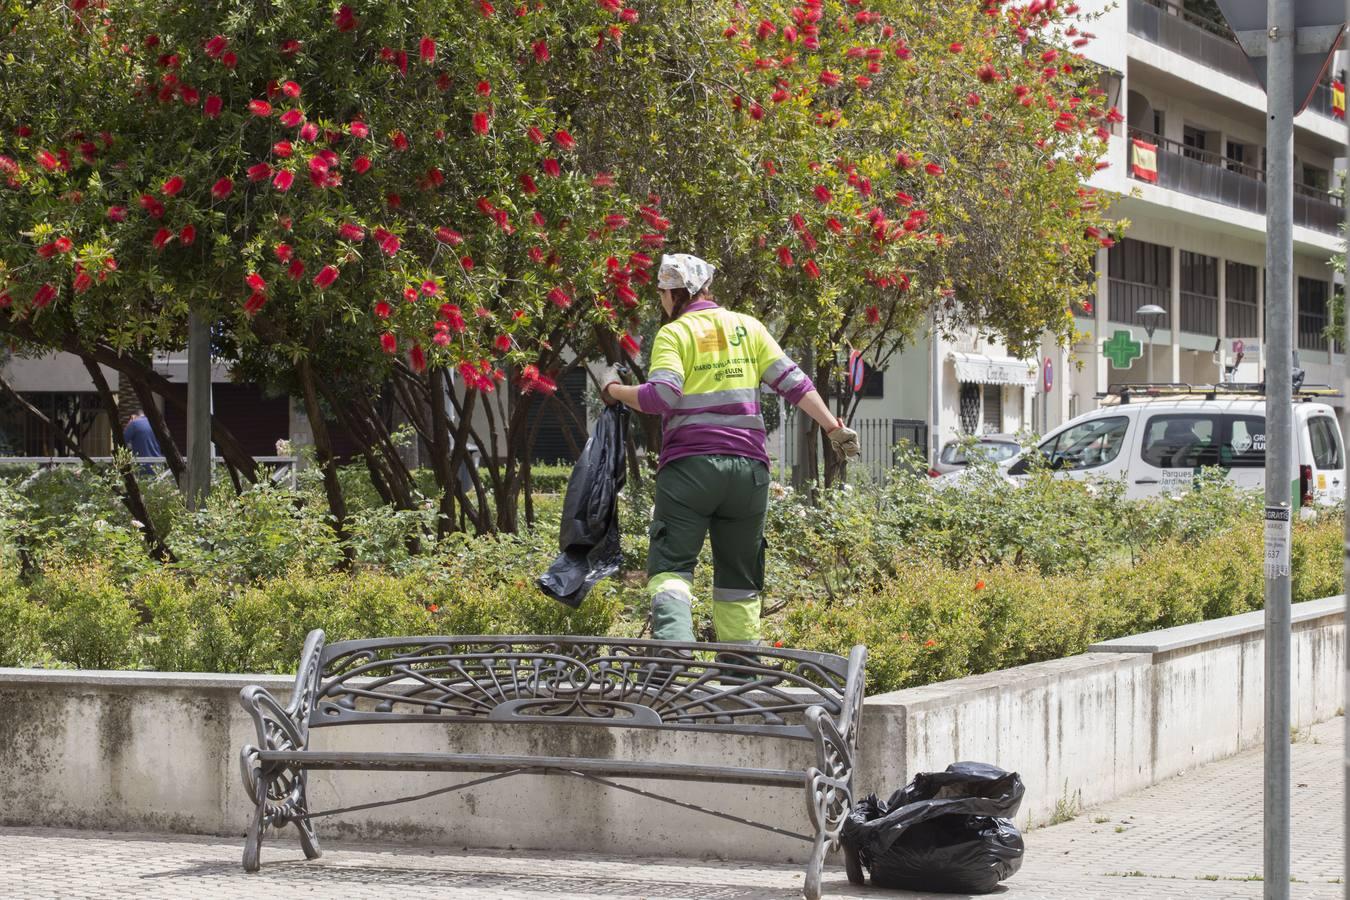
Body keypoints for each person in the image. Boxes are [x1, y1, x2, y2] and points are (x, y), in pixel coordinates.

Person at [600, 253, 860, 645]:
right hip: (748, 474)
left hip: (690, 470)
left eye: (662, 293)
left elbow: (662, 396)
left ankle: (674, 659)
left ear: (675, 292)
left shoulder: (675, 333)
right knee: (739, 580)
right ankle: (741, 679)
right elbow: (794, 383)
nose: (661, 301)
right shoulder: (749, 327)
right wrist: (832, 426)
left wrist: (613, 391)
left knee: (671, 568)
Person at [122, 406, 162, 474]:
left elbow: (122, 441)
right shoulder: (154, 423)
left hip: (142, 466)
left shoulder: (134, 423)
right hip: (158, 465)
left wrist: (129, 424)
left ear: (133, 416)